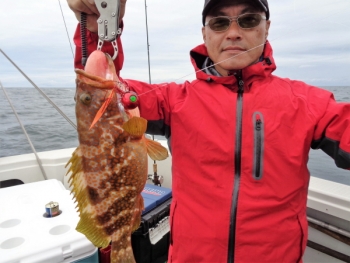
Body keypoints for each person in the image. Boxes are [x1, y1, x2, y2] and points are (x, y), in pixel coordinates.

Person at [67, 0, 350, 262]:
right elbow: (99, 92)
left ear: (267, 29)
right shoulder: (173, 100)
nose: (234, 33)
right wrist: (95, 27)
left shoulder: (309, 103)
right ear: (205, 34)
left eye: (248, 20)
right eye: (220, 23)